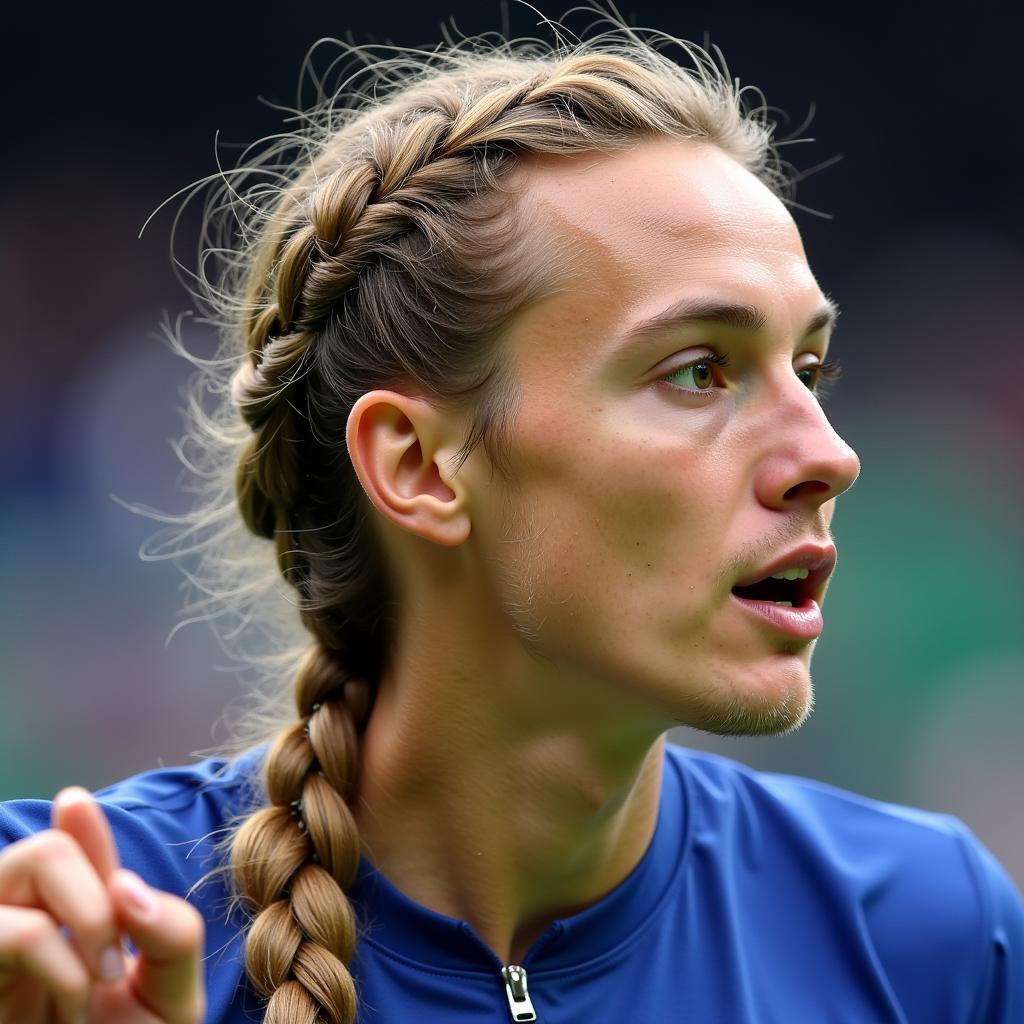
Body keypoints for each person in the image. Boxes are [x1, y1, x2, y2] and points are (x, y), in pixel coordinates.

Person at [2, 9, 1022, 1024]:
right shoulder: (56, 926)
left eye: (808, 369)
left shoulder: (927, 936)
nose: (828, 455)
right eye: (699, 371)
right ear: (419, 467)